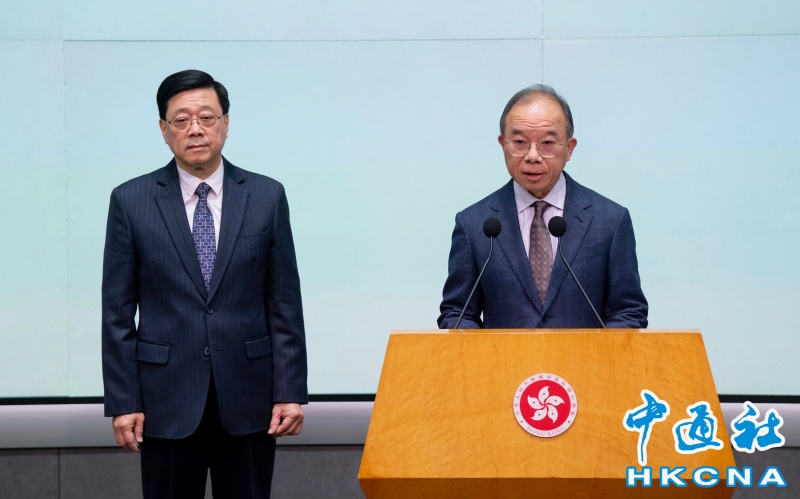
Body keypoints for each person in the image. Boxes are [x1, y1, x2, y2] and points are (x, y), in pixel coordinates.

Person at [101, 70, 308, 499]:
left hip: (250, 397)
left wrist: (290, 392)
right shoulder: (130, 200)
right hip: (165, 401)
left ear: (225, 124)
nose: (195, 129)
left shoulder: (266, 196)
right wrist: (124, 400)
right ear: (164, 130)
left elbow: (284, 303)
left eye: (206, 117)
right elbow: (117, 314)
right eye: (181, 119)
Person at [438, 84, 648, 329]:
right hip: (504, 356)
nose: (532, 156)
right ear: (503, 144)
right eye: (519, 142)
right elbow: (458, 313)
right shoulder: (474, 224)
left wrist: (598, 352)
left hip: (584, 355)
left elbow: (628, 312)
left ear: (569, 148)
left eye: (547, 142)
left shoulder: (610, 220)